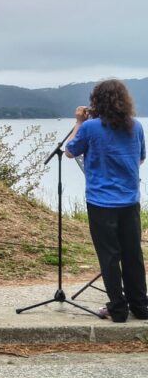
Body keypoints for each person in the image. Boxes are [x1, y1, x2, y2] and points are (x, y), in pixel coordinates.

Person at [65, 79, 148, 323]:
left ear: (96, 101)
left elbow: (70, 151)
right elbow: (141, 159)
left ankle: (118, 310)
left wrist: (79, 122)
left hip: (101, 203)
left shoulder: (90, 127)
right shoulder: (137, 126)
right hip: (130, 200)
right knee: (133, 254)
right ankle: (141, 306)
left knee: (110, 256)